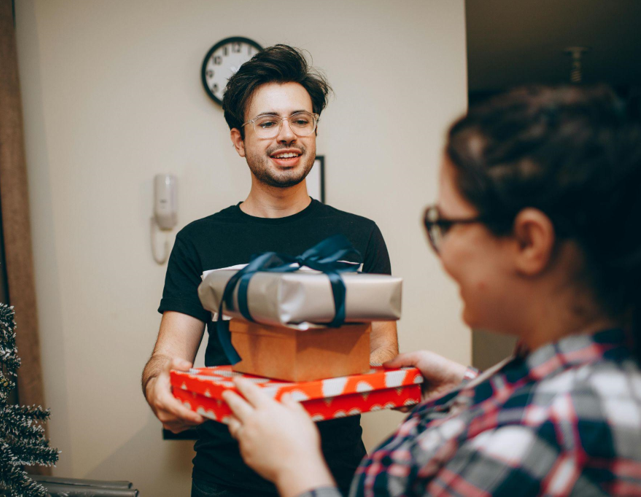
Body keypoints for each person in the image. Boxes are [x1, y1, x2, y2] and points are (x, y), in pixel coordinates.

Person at [222, 85, 641, 496]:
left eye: (446, 225)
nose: (443, 254)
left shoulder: (541, 439)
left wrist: (297, 470)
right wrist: (467, 388)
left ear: (529, 242)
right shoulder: (562, 384)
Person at [141, 45, 400, 497]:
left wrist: (306, 364)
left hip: (334, 473)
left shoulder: (360, 235)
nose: (288, 135)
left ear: (314, 130)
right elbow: (167, 356)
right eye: (268, 123)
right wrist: (157, 385)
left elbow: (383, 351)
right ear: (239, 141)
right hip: (225, 478)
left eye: (301, 120)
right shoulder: (199, 241)